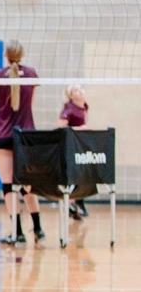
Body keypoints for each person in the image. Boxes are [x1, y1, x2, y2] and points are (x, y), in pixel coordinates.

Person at [0, 40, 45, 244]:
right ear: (22, 54)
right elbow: (30, 106)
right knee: (28, 184)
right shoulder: (32, 74)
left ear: (6, 55)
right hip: (26, 136)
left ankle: (16, 233)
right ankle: (38, 229)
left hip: (2, 136)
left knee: (8, 184)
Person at [58, 83, 90, 218]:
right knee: (74, 175)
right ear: (71, 95)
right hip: (70, 146)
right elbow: (60, 127)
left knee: (83, 175)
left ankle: (77, 202)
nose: (80, 91)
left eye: (81, 88)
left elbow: (85, 124)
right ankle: (72, 203)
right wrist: (79, 129)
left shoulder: (85, 106)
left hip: (80, 145)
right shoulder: (69, 109)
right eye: (76, 90)